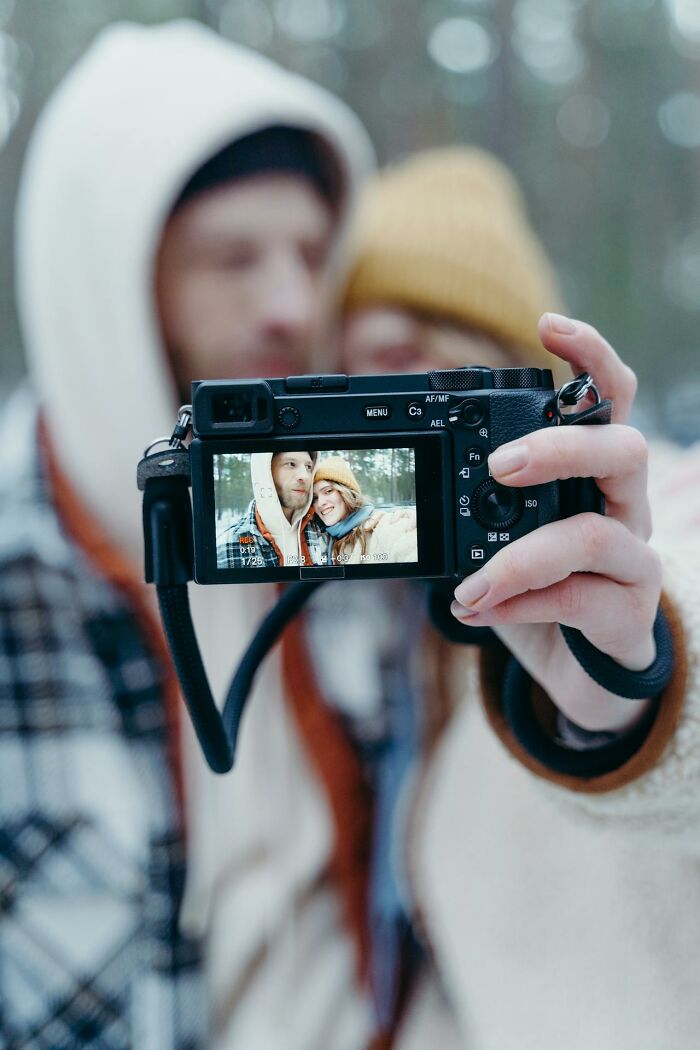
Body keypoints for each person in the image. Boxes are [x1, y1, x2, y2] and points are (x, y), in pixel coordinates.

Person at [264, 148, 699, 1048]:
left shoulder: (659, 511)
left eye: (416, 367)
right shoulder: (385, 606)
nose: (389, 409)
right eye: (355, 380)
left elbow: (674, 606)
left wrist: (631, 690)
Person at [0, 19, 376, 1049]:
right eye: (232, 258)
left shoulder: (347, 508)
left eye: (313, 254)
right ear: (112, 277)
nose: (292, 304)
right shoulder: (20, 560)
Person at [218, 450, 325, 567]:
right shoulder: (228, 544)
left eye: (308, 467)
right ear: (265, 472)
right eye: (291, 464)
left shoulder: (323, 530)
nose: (305, 476)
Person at [311, 455, 417, 566]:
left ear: (346, 491)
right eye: (315, 498)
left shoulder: (384, 525)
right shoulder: (324, 537)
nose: (320, 503)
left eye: (328, 491)